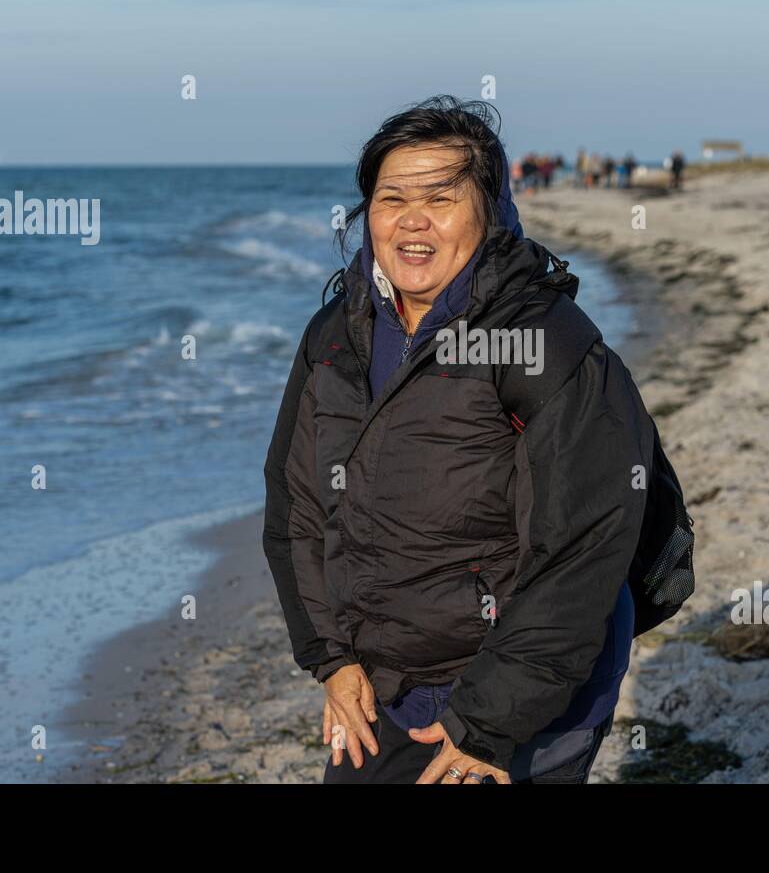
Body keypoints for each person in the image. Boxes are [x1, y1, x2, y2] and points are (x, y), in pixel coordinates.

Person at [262, 96, 651, 784]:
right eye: (391, 199)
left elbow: (583, 544)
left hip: (526, 685)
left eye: (440, 198)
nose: (412, 220)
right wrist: (332, 658)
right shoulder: (332, 338)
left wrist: (490, 722)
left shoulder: (542, 340)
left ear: (490, 210)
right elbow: (295, 508)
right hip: (387, 681)